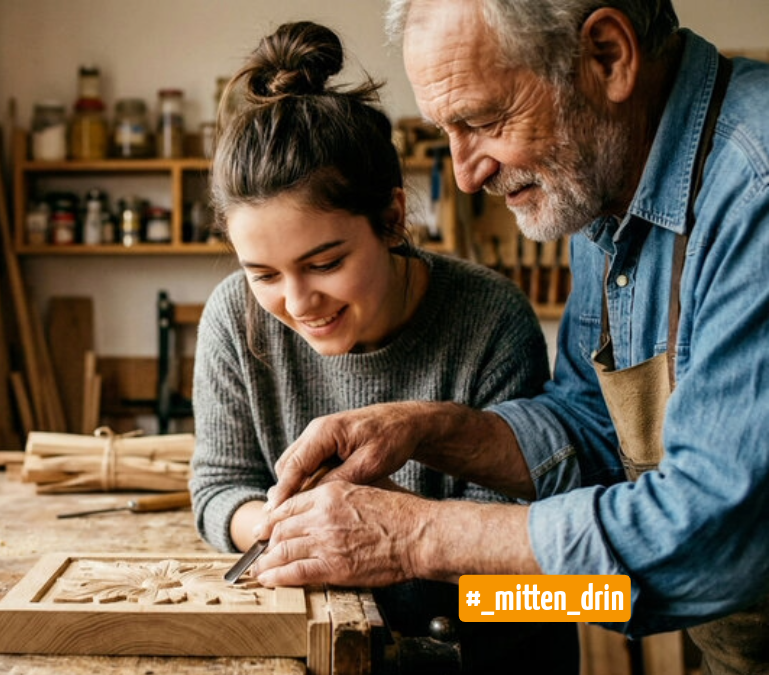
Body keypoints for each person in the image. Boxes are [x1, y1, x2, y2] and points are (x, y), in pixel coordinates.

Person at [256, 2, 769, 673]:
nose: (466, 173)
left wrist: (414, 536)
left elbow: (708, 539)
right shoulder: (606, 183)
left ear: (608, 57)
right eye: (447, 131)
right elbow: (595, 427)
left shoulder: (753, 189)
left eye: (483, 122)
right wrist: (427, 428)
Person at [189, 20, 578, 672]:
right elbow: (218, 486)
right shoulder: (235, 318)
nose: (297, 301)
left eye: (325, 262)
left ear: (394, 218)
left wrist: (389, 530)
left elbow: (520, 577)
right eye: (264, 274)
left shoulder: (490, 319)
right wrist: (285, 530)